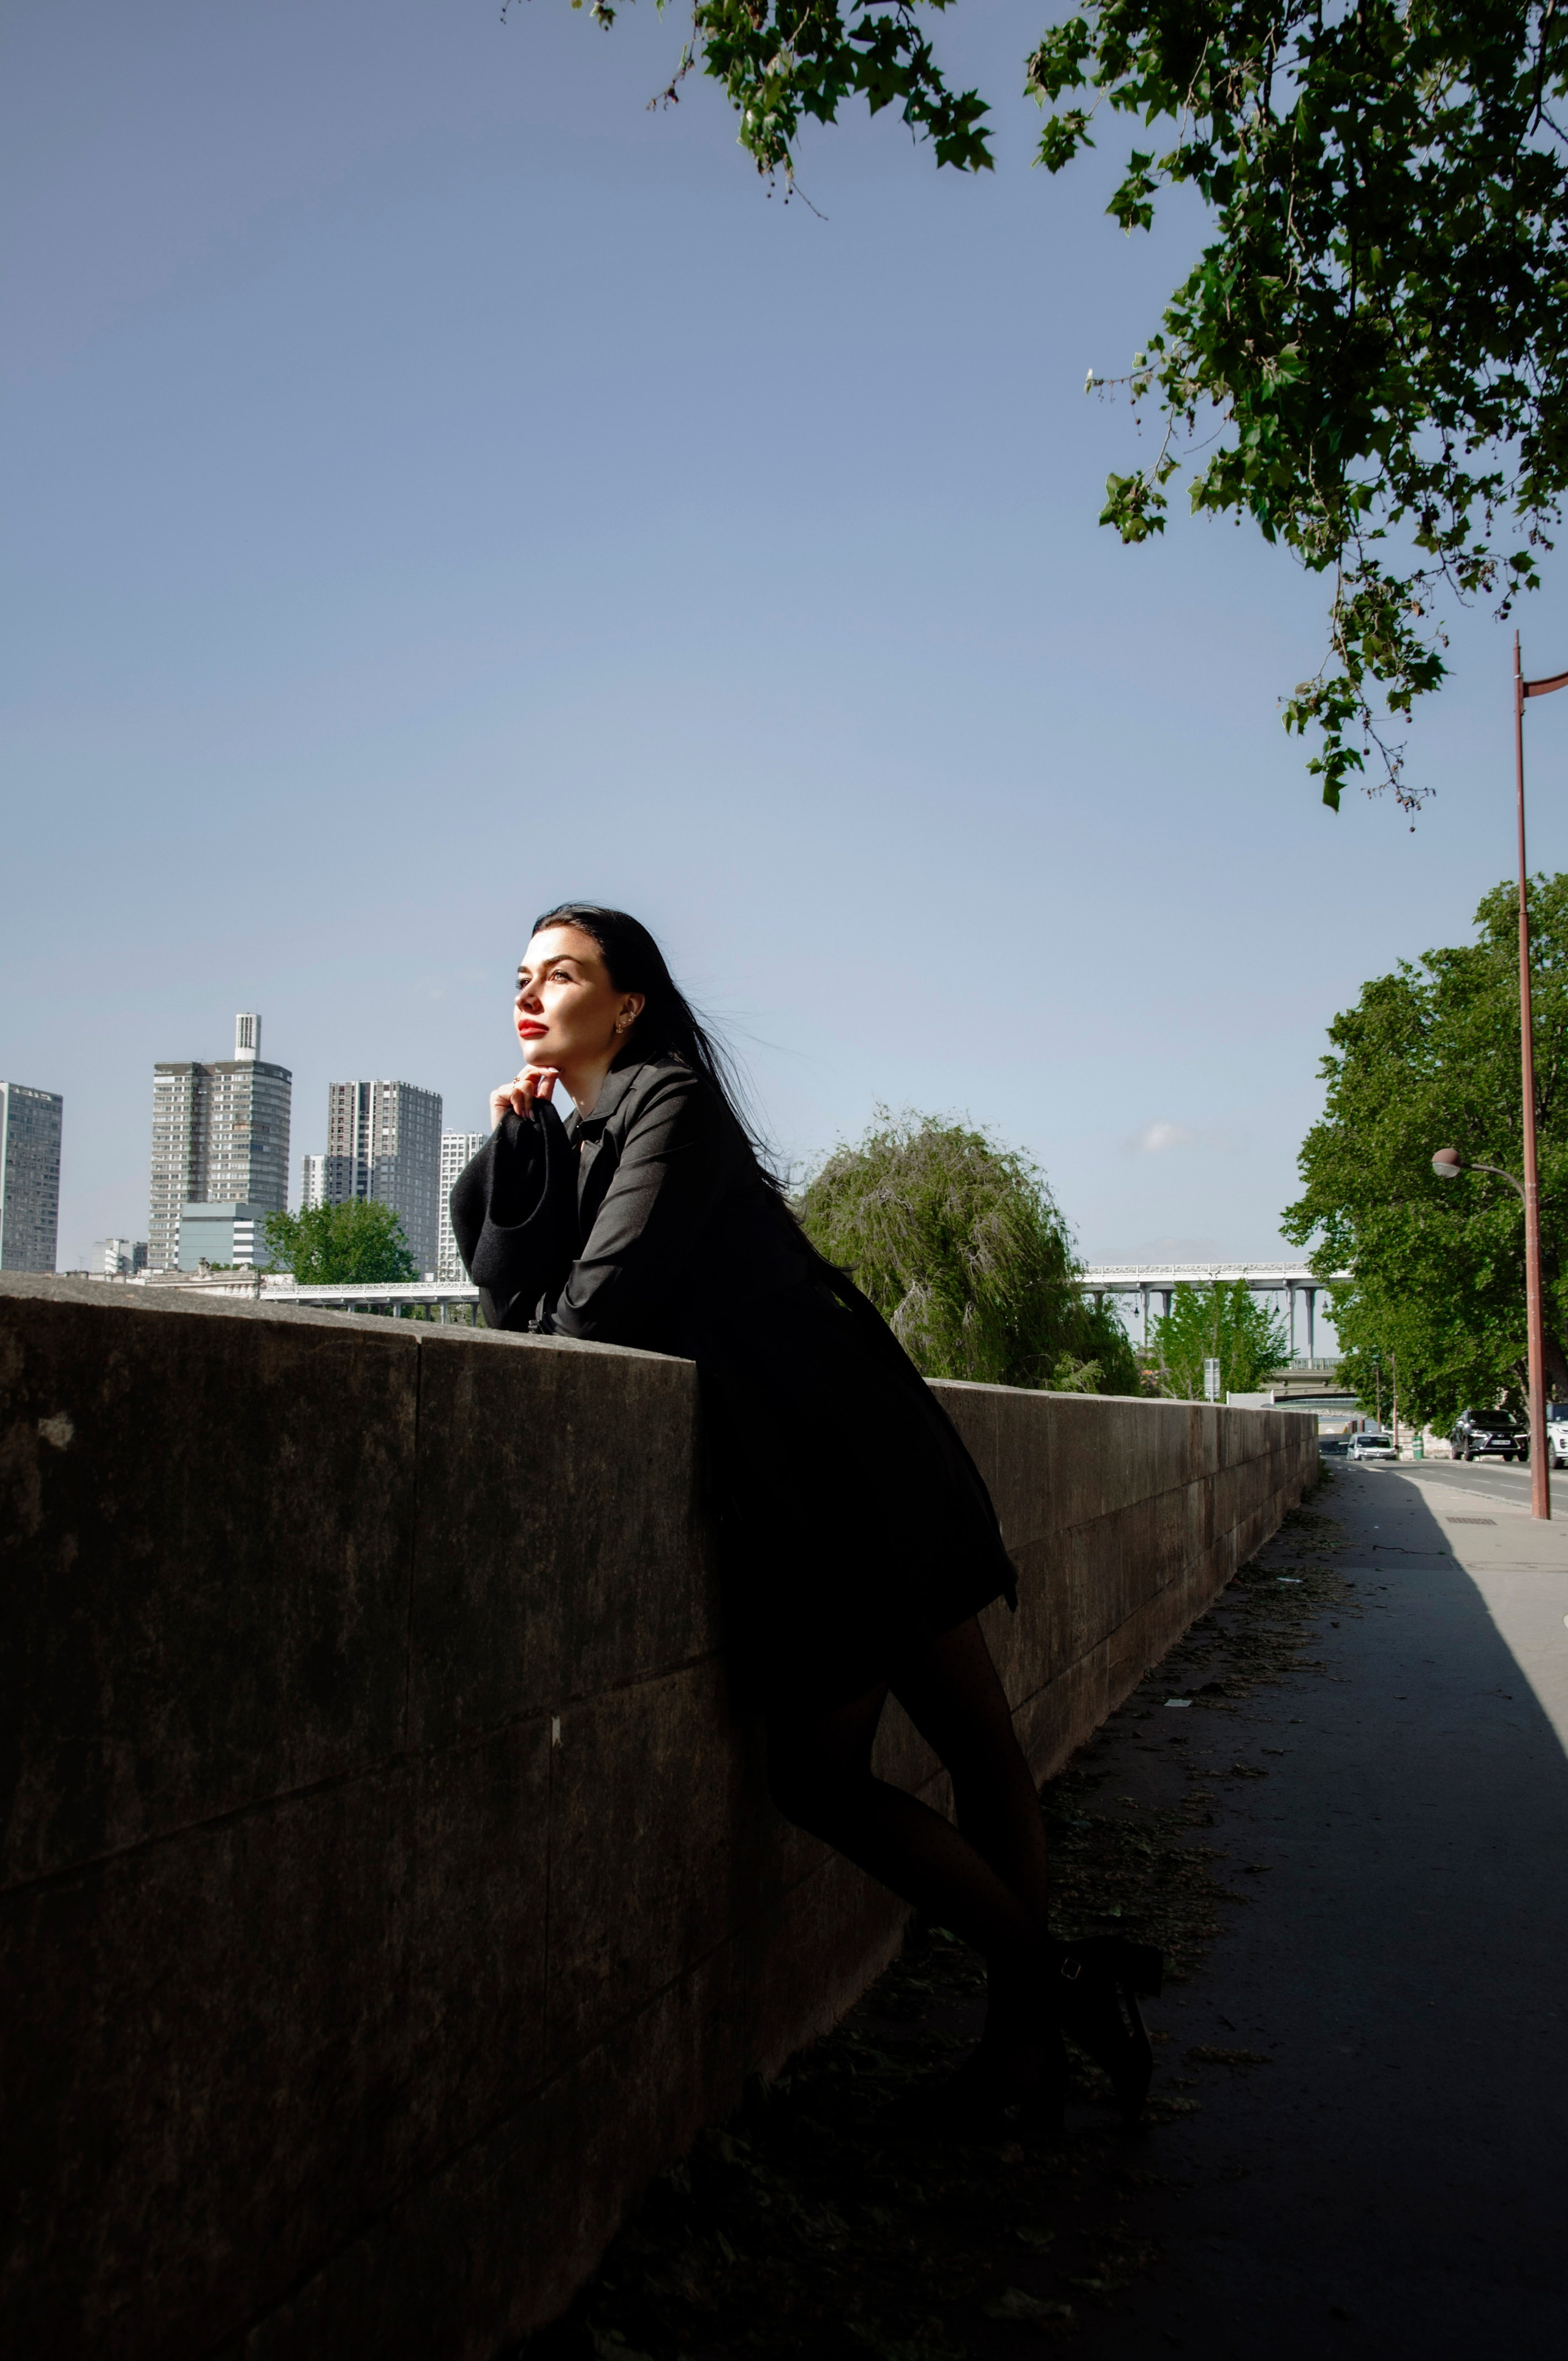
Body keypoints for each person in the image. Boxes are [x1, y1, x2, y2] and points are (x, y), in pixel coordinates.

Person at [450, 904, 1159, 2128]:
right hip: (814, 1467)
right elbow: (510, 1297)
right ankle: (1044, 2008)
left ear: (627, 1006)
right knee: (888, 1762)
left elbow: (589, 1316)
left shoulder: (665, 1101)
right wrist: (514, 1143)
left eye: (562, 972)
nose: (531, 989)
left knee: (881, 1763)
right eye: (521, 974)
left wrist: (553, 1189)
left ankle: (1032, 2012)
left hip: (847, 1464)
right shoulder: (576, 1134)